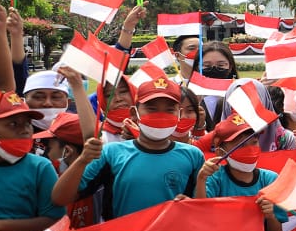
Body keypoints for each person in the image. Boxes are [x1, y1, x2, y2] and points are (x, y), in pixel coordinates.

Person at [53, 76, 204, 220]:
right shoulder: (111, 153)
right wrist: (82, 160)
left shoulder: (193, 156)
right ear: (134, 113)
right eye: (151, 109)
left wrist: (191, 204)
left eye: (169, 110)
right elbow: (60, 198)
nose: (160, 116)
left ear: (179, 114)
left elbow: (203, 205)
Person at [195, 114, 283, 231]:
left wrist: (270, 216)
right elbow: (201, 218)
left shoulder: (270, 179)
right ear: (220, 153)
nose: (249, 149)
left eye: (254, 142)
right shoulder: (214, 178)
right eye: (240, 145)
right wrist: (201, 179)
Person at [0, 90, 66, 231]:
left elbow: (55, 220)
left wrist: (1, 226)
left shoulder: (40, 167)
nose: (25, 130)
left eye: (28, 123)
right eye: (13, 124)